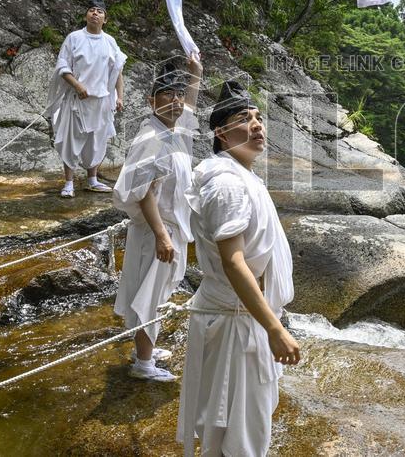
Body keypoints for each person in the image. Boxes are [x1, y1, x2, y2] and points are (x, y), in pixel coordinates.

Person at [177, 80, 300, 457]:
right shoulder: (227, 185)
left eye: (260, 118)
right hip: (236, 319)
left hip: (243, 316)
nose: (258, 125)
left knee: (237, 425)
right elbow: (233, 262)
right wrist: (274, 329)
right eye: (245, 119)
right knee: (239, 433)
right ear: (220, 132)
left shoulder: (241, 175)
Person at [112, 57, 203, 382]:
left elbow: (189, 106)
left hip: (170, 228)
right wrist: (162, 235)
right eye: (168, 95)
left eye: (179, 94)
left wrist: (196, 73)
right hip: (156, 232)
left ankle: (145, 350)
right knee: (147, 293)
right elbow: (143, 191)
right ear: (152, 101)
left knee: (158, 291)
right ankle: (144, 364)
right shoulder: (151, 137)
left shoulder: (174, 132)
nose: (176, 100)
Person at [46, 0, 127, 197]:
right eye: (92, 10)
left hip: (101, 100)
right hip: (78, 100)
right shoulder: (74, 38)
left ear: (105, 19)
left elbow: (117, 71)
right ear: (86, 15)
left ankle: (92, 179)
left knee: (97, 141)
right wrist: (77, 85)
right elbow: (63, 67)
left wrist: (119, 97)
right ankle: (69, 183)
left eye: (100, 11)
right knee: (71, 140)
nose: (95, 14)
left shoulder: (110, 41)